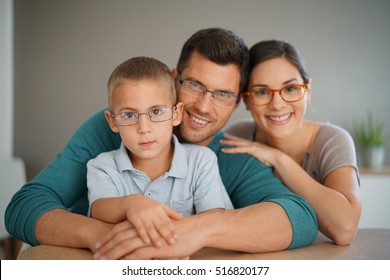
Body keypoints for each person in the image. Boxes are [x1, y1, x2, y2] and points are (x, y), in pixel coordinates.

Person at [5, 28, 318, 260]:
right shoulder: (111, 129)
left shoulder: (226, 155)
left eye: (222, 94)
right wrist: (113, 237)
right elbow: (24, 207)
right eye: (195, 85)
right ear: (174, 78)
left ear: (236, 102)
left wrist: (199, 231)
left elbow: (300, 217)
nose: (204, 106)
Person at [221, 39, 361, 245]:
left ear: (308, 91)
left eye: (290, 89)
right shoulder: (238, 137)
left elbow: (345, 229)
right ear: (247, 101)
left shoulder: (332, 141)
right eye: (262, 92)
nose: (277, 104)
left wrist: (279, 160)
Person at [87, 56, 233, 248]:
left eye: (156, 112)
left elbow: (213, 220)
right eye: (129, 115)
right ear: (113, 121)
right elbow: (99, 208)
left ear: (176, 114)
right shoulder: (102, 166)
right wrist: (132, 204)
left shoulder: (201, 161)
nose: (144, 128)